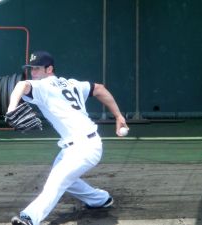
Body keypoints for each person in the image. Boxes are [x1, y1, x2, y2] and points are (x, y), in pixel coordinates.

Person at [7, 51, 129, 225]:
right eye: (31, 69)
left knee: (55, 182)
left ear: (49, 69)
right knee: (66, 180)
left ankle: (29, 218)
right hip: (76, 147)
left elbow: (20, 86)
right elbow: (99, 88)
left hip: (85, 147)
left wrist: (11, 109)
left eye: (37, 69)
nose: (33, 73)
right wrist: (118, 116)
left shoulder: (43, 87)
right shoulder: (72, 83)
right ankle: (100, 199)